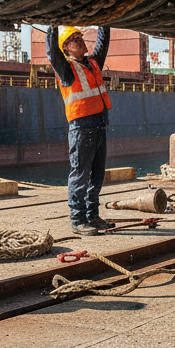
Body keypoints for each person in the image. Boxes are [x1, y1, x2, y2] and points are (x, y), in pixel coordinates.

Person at [46, 25, 112, 236]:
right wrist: (52, 26)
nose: (81, 41)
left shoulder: (93, 63)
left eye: (80, 37)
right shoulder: (65, 69)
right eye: (74, 39)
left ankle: (92, 215)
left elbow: (102, 44)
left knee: (97, 175)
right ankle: (78, 219)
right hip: (81, 128)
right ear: (66, 48)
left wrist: (105, 22)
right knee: (80, 174)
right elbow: (51, 53)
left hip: (99, 124)